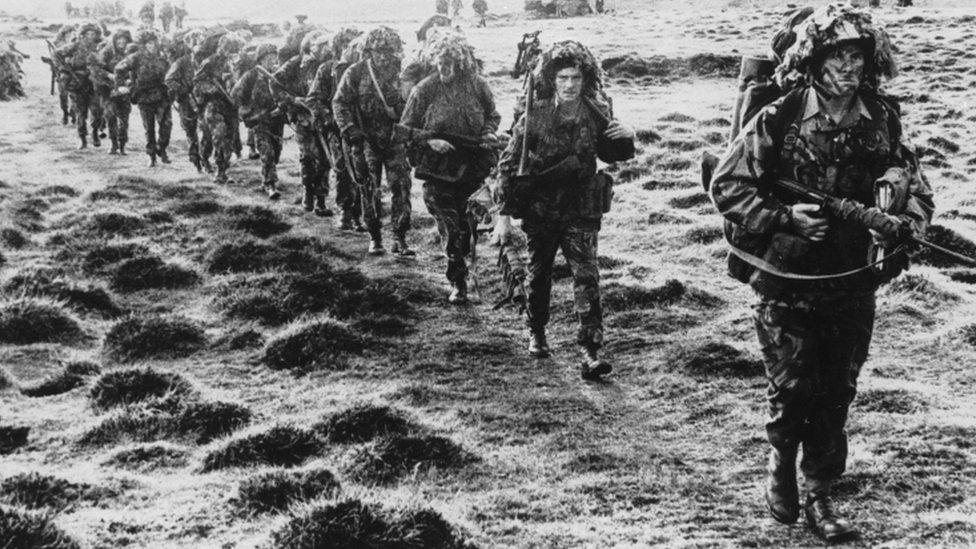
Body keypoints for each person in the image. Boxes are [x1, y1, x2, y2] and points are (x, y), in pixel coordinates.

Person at [708, 4, 933, 542]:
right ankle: (781, 461)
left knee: (837, 390)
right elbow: (727, 186)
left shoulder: (880, 118)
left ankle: (819, 495)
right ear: (813, 62)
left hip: (853, 279)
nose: (849, 67)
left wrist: (898, 222)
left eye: (858, 56)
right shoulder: (780, 117)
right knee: (792, 388)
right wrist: (784, 218)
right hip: (787, 279)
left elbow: (919, 191)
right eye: (837, 56)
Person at [497, 40, 635, 377]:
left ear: (584, 79)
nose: (570, 84)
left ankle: (590, 350)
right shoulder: (535, 115)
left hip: (580, 209)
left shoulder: (595, 111)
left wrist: (627, 136)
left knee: (587, 277)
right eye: (563, 78)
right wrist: (502, 216)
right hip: (541, 210)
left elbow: (612, 152)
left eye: (575, 77)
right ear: (552, 80)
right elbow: (507, 164)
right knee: (538, 274)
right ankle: (537, 331)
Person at [400, 29, 501, 303]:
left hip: (472, 169)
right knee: (451, 229)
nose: (444, 67)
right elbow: (404, 130)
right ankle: (458, 282)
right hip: (438, 172)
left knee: (469, 228)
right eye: (440, 62)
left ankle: (466, 273)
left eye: (449, 62)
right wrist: (430, 140)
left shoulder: (477, 85)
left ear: (460, 62)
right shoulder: (425, 89)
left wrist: (489, 132)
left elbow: (492, 114)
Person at [333, 26, 414, 256]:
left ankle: (400, 237)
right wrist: (349, 128)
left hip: (394, 139)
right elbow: (339, 103)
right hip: (367, 140)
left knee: (401, 186)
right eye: (378, 51)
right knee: (369, 188)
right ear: (369, 51)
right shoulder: (355, 73)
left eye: (387, 51)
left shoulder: (401, 73)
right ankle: (375, 236)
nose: (383, 56)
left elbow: (411, 102)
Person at [275, 32, 331, 215]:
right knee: (307, 156)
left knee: (325, 158)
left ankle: (321, 199)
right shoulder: (295, 63)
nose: (325, 49)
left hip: (322, 118)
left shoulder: (328, 66)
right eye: (320, 45)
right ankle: (308, 192)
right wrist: (292, 100)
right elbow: (274, 83)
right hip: (303, 119)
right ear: (310, 46)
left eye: (326, 45)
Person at [232, 43, 285, 199]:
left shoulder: (278, 74)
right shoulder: (251, 76)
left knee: (276, 152)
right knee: (267, 153)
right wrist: (248, 113)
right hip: (260, 121)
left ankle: (266, 179)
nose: (271, 60)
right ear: (260, 59)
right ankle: (270, 185)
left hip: (277, 121)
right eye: (267, 58)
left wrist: (282, 106)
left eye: (273, 57)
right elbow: (236, 94)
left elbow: (286, 92)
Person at [115, 30, 173, 167]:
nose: (152, 46)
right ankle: (151, 155)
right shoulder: (135, 57)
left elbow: (170, 73)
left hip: (161, 95)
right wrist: (120, 86)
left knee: (167, 125)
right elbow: (118, 69)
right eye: (149, 44)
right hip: (144, 96)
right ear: (144, 45)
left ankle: (162, 148)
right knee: (150, 128)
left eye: (154, 43)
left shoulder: (163, 57)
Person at [193, 34, 242, 184]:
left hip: (230, 106)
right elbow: (197, 82)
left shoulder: (235, 62)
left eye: (233, 50)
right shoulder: (210, 62)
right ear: (221, 47)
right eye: (227, 49)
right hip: (213, 105)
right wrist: (211, 89)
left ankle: (222, 170)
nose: (229, 53)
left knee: (229, 138)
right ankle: (208, 162)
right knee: (217, 136)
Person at [57, 22, 103, 149]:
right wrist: (64, 68)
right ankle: (82, 138)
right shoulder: (75, 46)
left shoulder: (100, 46)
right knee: (81, 112)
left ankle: (94, 133)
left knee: (97, 110)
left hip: (94, 83)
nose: (90, 36)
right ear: (82, 35)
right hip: (77, 82)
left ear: (96, 35)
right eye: (87, 34)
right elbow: (57, 54)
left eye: (93, 34)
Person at [91, 28, 132, 154]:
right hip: (107, 89)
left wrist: (130, 81)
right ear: (115, 40)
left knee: (124, 119)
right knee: (110, 116)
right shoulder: (107, 52)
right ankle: (114, 143)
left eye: (124, 39)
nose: (121, 42)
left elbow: (136, 68)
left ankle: (123, 144)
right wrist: (108, 75)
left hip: (124, 90)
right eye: (119, 39)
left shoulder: (130, 52)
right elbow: (95, 68)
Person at [165, 33, 202, 170]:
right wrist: (181, 90)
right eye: (195, 42)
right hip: (186, 100)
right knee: (191, 130)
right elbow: (169, 80)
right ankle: (196, 159)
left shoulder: (206, 60)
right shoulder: (181, 62)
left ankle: (206, 159)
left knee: (206, 131)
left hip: (203, 98)